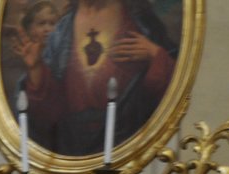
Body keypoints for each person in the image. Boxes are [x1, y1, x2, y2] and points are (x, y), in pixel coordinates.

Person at [17, 0, 178, 157]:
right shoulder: (61, 31)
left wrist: (155, 54)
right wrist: (36, 68)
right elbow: (49, 112)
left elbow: (176, 88)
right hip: (72, 147)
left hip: (130, 145)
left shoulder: (142, 22)